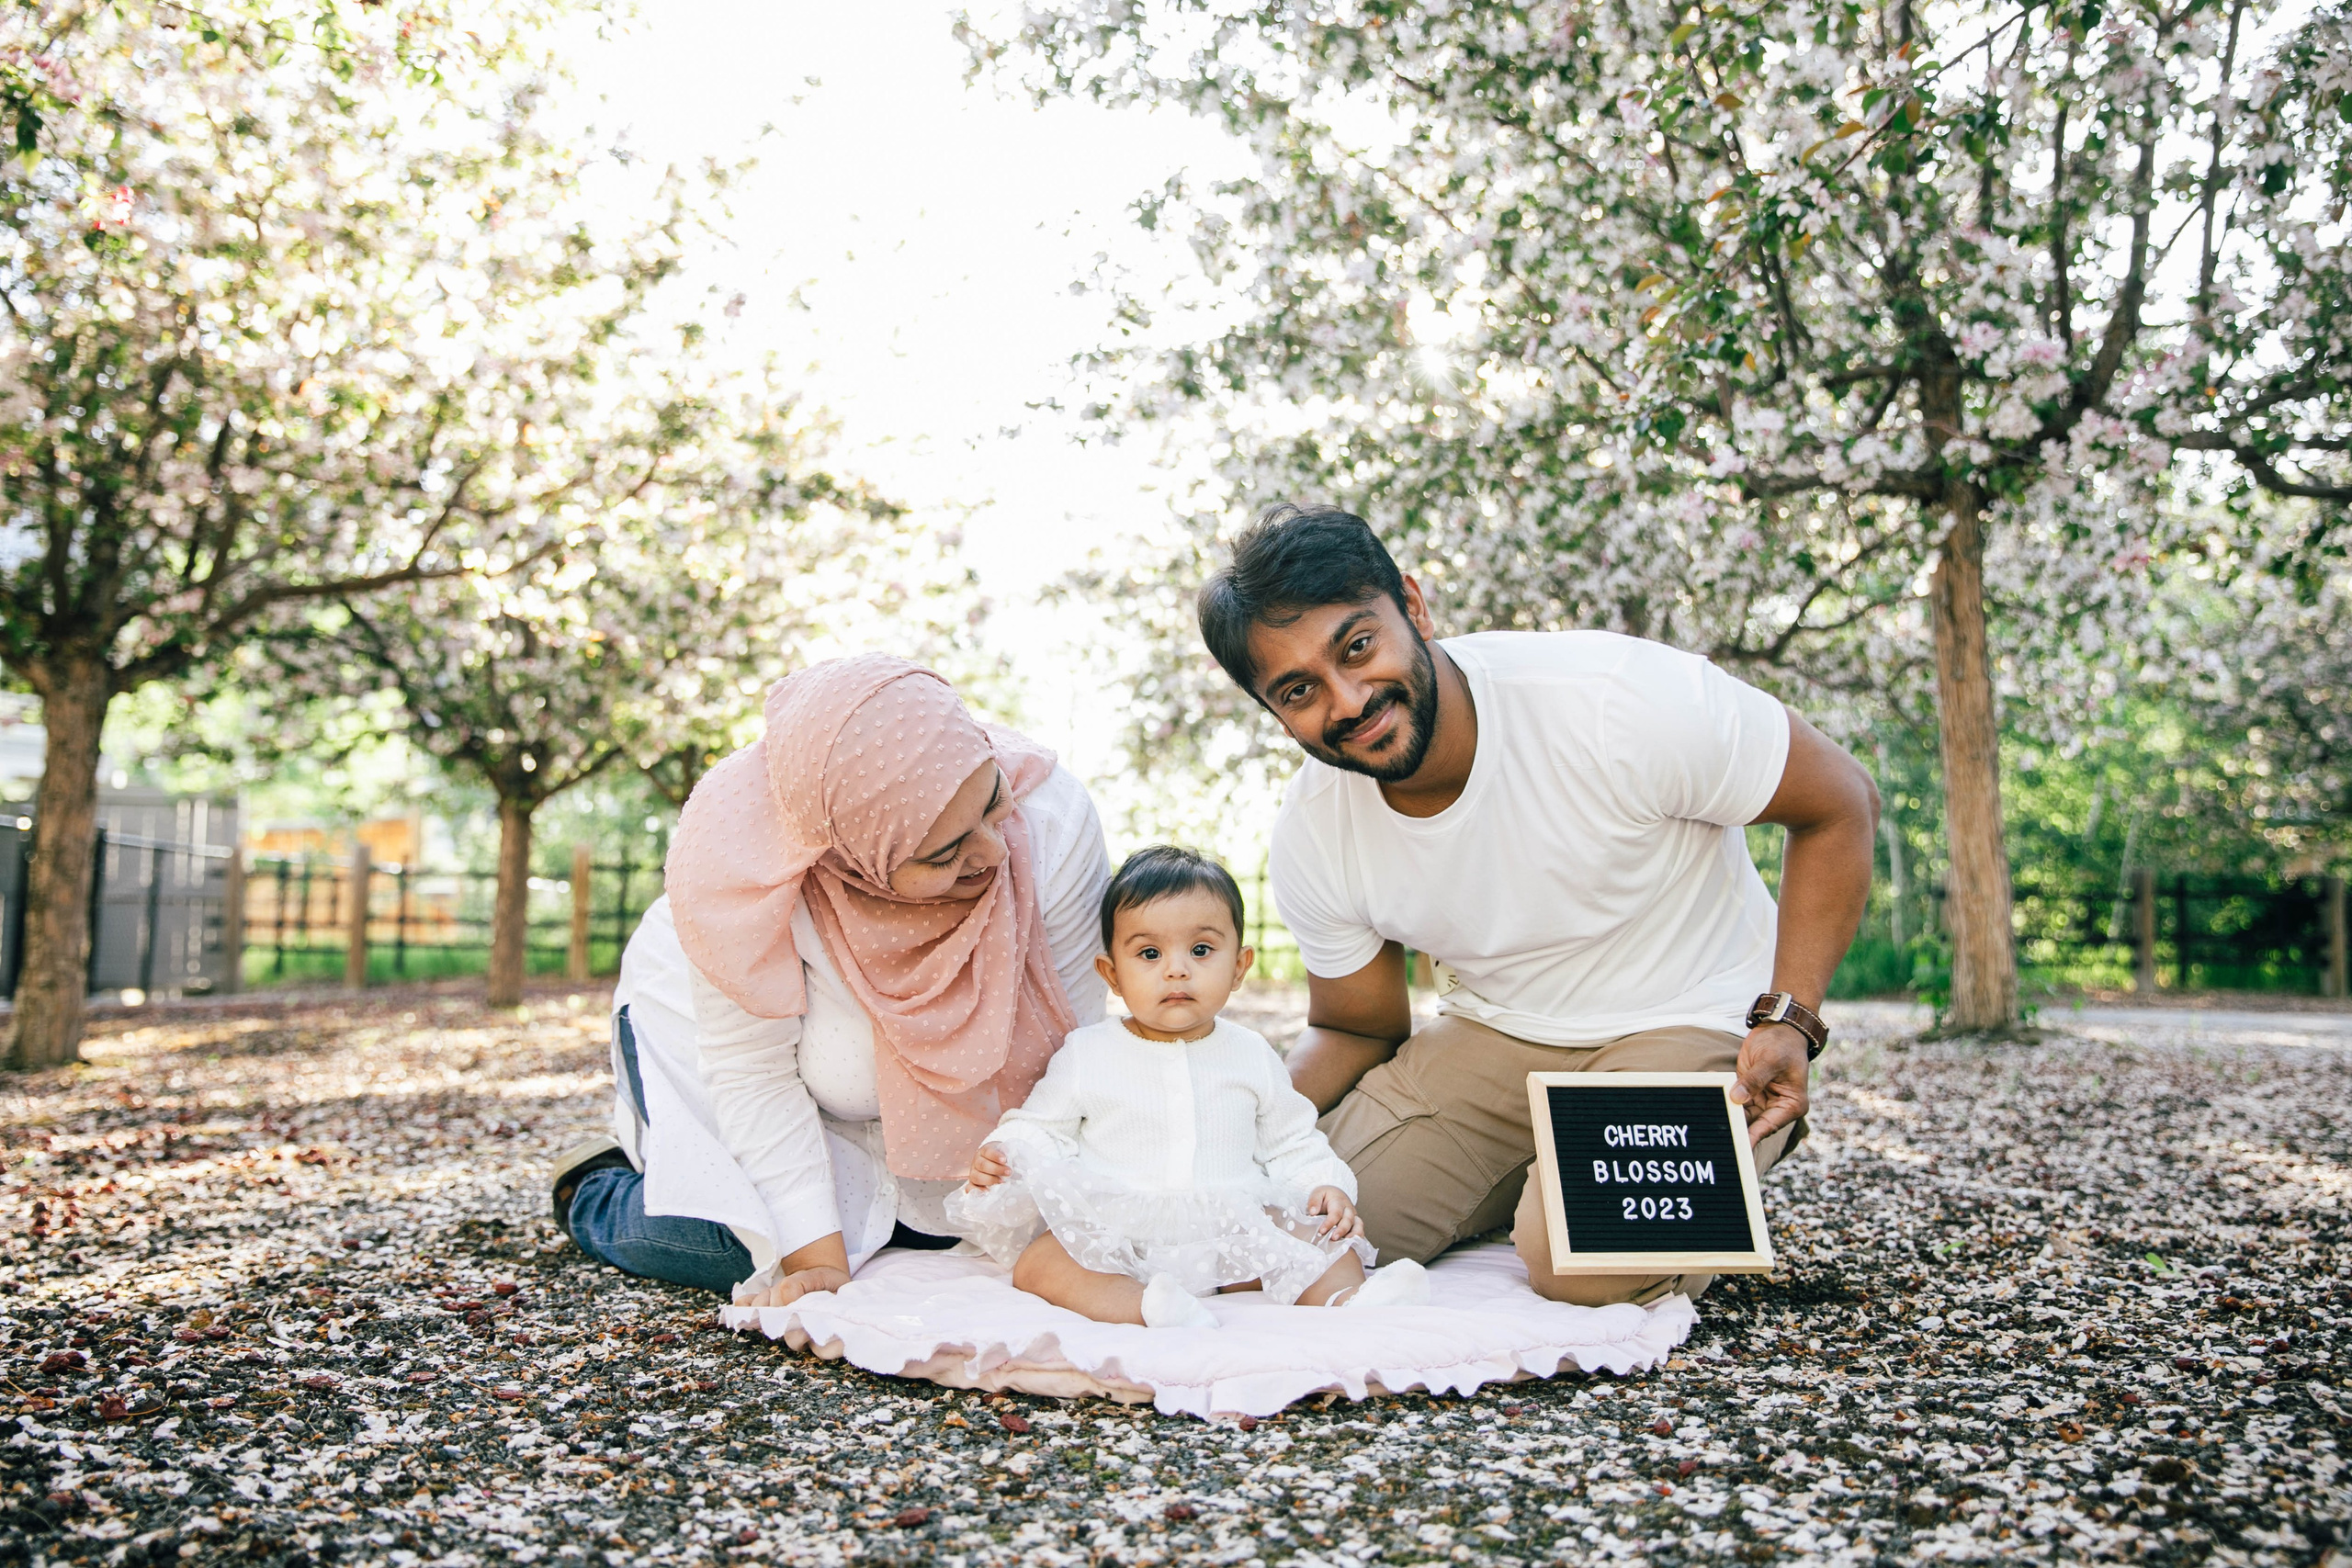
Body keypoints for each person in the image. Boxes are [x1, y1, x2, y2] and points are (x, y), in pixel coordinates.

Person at [1196, 503, 1880, 1307]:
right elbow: (1356, 1025)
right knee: (1275, 1234)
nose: (1347, 700)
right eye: (1300, 689)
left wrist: (1789, 1020)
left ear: (1412, 605)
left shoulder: (1610, 698)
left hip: (1689, 1016)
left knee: (1576, 1257)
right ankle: (1536, 1169)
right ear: (1275, 712)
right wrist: (1228, 1126)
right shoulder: (1315, 829)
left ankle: (1641, 1170)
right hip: (1493, 1035)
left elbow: (1840, 800)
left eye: (1357, 646)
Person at [548, 654, 1111, 1305]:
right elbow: (752, 1074)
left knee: (972, 1229)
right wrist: (816, 1267)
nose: (994, 849)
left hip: (899, 1095)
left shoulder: (1053, 820)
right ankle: (592, 1185)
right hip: (697, 1024)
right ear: (857, 858)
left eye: (991, 803)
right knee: (737, 1248)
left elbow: (1072, 1043)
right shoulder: (738, 888)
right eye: (944, 852)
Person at [949, 846, 1429, 1327]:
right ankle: (1146, 1307)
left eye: (1201, 950)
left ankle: (1350, 1301)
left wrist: (1322, 1185)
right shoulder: (1087, 1053)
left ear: (1239, 967)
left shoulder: (1251, 1054)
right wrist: (1006, 1153)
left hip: (1231, 1234)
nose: (1177, 969)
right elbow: (1042, 1127)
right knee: (1041, 1264)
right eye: (1150, 953)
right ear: (1112, 974)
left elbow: (1292, 1141)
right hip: (1121, 1236)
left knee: (1322, 1241)